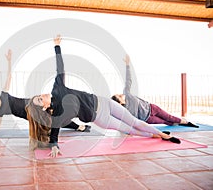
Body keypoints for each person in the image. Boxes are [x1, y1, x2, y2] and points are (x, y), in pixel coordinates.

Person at [26, 35, 182, 158]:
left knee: (134, 121)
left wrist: (57, 47)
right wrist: (54, 145)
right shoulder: (58, 115)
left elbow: (60, 69)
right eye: (40, 99)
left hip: (104, 102)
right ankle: (153, 134)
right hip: (100, 118)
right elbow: (55, 131)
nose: (42, 95)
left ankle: (161, 134)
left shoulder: (57, 89)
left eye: (39, 95)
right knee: (129, 129)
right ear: (44, 107)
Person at [0, 49, 91, 147]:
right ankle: (77, 127)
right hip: (31, 113)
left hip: (33, 103)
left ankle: (78, 126)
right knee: (55, 118)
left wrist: (9, 61)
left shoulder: (3, 95)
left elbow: (9, 77)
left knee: (57, 115)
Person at [111, 54, 199, 128]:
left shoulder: (127, 94)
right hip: (147, 119)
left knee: (169, 117)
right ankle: (179, 124)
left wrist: (127, 65)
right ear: (119, 103)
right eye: (119, 96)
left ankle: (186, 123)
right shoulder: (124, 112)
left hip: (152, 108)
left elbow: (128, 80)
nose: (120, 94)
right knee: (165, 122)